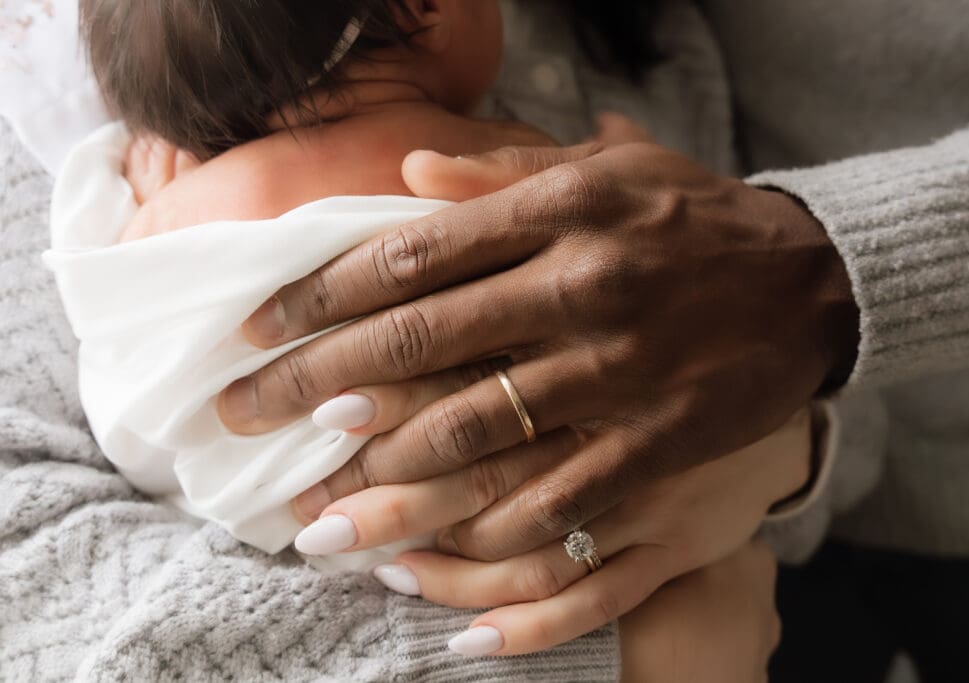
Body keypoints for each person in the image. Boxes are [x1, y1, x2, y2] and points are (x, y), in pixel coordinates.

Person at [214, 0, 969, 678]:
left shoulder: (659, 56)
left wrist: (796, 437)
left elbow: (809, 388)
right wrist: (612, 657)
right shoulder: (202, 66)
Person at [45, 0, 797, 675]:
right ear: (435, 13)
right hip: (536, 540)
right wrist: (628, 147)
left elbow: (126, 405)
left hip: (289, 540)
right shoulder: (495, 157)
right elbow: (639, 253)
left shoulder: (162, 212)